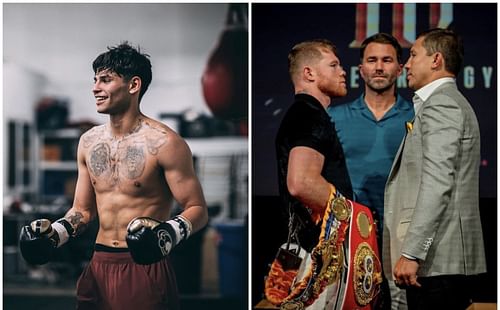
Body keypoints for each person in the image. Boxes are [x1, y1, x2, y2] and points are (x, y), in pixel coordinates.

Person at [19, 42, 208, 309]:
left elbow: (197, 208)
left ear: (133, 85)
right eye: (95, 80)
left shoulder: (165, 143)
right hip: (98, 264)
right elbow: (83, 212)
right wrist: (55, 235)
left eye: (105, 80)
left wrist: (168, 233)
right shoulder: (88, 142)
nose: (95, 87)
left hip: (143, 266)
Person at [383, 28, 486, 310]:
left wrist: (413, 253)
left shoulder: (443, 105)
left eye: (414, 55)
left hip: (438, 262)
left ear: (436, 59)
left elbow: (438, 183)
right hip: (439, 262)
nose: (406, 64)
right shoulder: (442, 104)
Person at [328, 33, 414, 309]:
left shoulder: (417, 116)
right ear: (361, 69)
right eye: (372, 60)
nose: (379, 67)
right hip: (349, 234)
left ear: (399, 68)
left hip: (403, 236)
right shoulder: (335, 117)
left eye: (387, 60)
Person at [274, 39, 353, 308]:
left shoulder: (305, 113)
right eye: (333, 65)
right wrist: (353, 219)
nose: (343, 71)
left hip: (308, 252)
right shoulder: (309, 115)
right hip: (317, 258)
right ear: (309, 73)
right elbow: (301, 183)